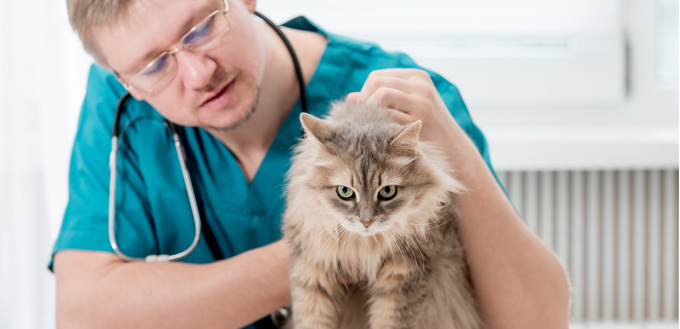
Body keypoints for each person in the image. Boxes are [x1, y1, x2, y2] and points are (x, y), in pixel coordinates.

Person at [51, 0, 571, 328]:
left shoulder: (397, 101)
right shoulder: (125, 107)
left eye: (201, 27)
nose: (197, 72)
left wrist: (456, 155)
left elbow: (539, 320)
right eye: (156, 64)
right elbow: (84, 313)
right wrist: (324, 252)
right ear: (124, 79)